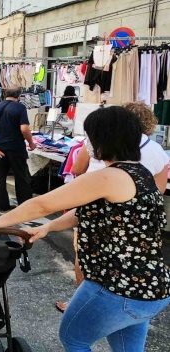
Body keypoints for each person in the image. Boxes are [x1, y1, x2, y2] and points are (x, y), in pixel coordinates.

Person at [0, 106, 170, 352]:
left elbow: (42, 203)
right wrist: (48, 227)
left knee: (74, 338)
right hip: (151, 289)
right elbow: (85, 211)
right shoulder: (141, 173)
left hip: (118, 287)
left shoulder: (107, 177)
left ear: (104, 138)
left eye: (89, 137)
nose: (87, 144)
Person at [53, 101, 170, 313]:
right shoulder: (154, 153)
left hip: (95, 211)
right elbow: (157, 192)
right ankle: (113, 305)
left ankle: (84, 304)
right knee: (122, 263)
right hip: (135, 226)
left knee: (85, 255)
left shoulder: (102, 150)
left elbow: (76, 171)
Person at [0, 87, 36, 211]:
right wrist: (31, 143)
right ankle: (25, 206)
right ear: (18, 96)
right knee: (21, 177)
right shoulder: (20, 107)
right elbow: (24, 129)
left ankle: (3, 205)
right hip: (15, 147)